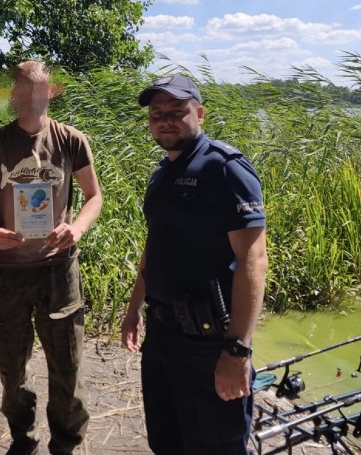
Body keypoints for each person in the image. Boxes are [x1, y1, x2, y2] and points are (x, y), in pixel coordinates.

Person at [120, 75, 268, 455]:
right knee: (166, 441)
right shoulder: (162, 172)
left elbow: (253, 259)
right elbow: (155, 245)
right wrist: (135, 308)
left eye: (177, 111)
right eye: (157, 114)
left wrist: (237, 352)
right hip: (162, 335)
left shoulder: (225, 168)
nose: (166, 120)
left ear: (199, 114)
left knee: (217, 446)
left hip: (209, 344)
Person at [0, 61, 103, 455]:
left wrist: (75, 229)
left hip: (58, 270)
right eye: (23, 90)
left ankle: (66, 444)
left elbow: (94, 197)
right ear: (14, 97)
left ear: (49, 93)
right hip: (6, 272)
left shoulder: (71, 139)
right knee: (11, 366)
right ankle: (22, 439)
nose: (31, 96)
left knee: (68, 368)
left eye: (38, 89)